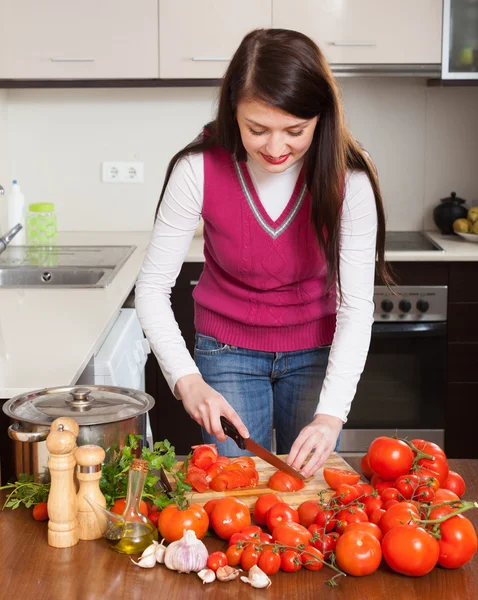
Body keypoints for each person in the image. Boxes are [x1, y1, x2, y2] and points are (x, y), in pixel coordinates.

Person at [135, 28, 391, 478]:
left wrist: (331, 414)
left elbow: (356, 306)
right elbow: (152, 288)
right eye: (258, 129)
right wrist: (188, 381)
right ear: (233, 110)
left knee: (307, 491)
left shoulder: (349, 179)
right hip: (225, 351)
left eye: (296, 130)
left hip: (317, 350)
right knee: (235, 495)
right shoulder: (196, 169)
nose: (276, 149)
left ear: (321, 118)